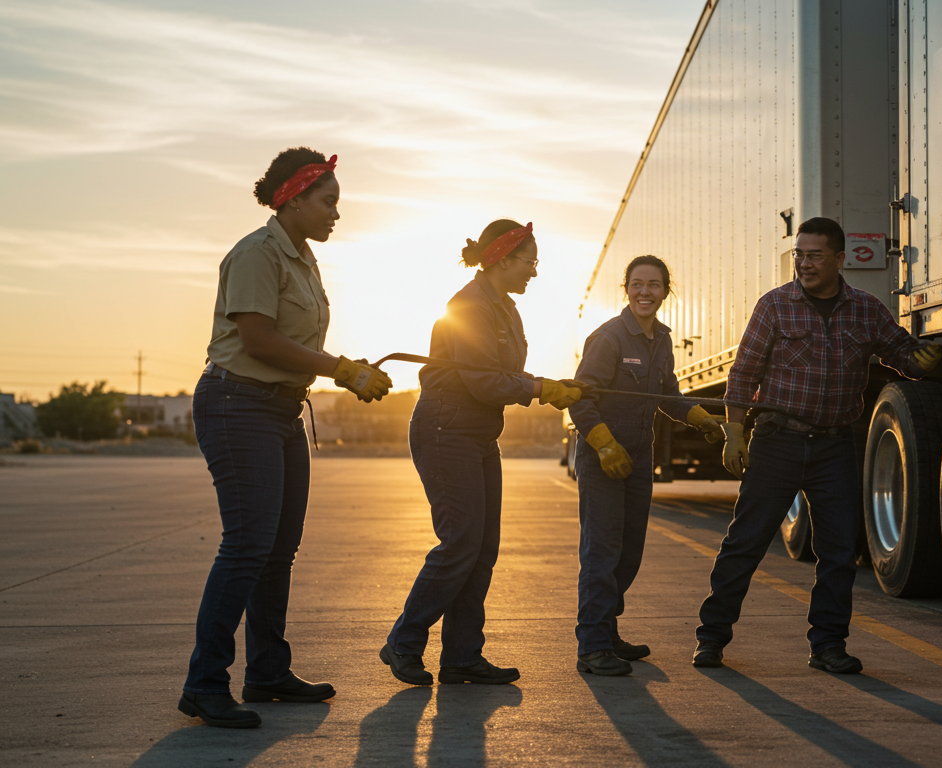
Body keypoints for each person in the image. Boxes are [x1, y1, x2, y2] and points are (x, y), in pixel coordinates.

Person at [181, 147, 393, 729]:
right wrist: (342, 370)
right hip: (236, 403)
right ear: (293, 199)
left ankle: (268, 671)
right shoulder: (256, 253)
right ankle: (204, 683)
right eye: (328, 202)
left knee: (278, 550)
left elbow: (292, 345)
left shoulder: (302, 258)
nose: (335, 214)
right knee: (247, 544)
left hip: (279, 410)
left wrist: (342, 368)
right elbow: (259, 342)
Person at [693, 216, 942, 674]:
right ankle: (711, 638)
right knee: (745, 542)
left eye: (814, 256)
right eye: (798, 255)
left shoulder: (866, 310)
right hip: (777, 441)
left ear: (839, 259)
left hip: (835, 448)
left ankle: (828, 645)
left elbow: (901, 354)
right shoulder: (775, 306)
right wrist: (734, 430)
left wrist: (924, 360)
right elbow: (744, 374)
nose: (804, 264)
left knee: (839, 551)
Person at [381, 219, 583, 687]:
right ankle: (404, 642)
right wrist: (539, 388)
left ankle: (462, 657)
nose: (534, 271)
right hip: (446, 427)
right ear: (503, 259)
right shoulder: (469, 307)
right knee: (461, 544)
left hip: (478, 433)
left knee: (482, 549)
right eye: (530, 261)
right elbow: (484, 380)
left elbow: (500, 374)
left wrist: (547, 384)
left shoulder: (505, 309)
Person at [569, 256, 725, 676]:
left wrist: (699, 416)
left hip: (639, 458)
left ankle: (608, 630)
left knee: (629, 551)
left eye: (654, 284)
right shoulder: (608, 338)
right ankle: (593, 646)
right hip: (603, 455)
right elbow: (581, 398)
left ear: (665, 291)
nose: (645, 292)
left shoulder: (661, 340)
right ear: (626, 289)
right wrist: (603, 445)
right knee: (601, 550)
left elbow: (668, 395)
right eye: (637, 283)